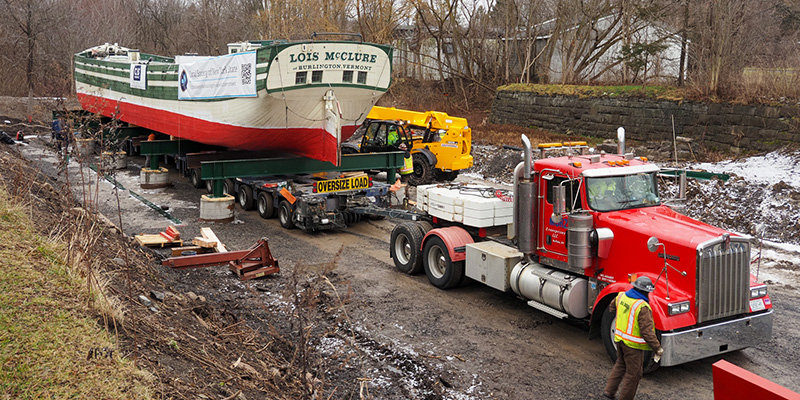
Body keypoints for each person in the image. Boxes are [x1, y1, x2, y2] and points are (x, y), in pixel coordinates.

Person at [603, 276, 664, 400]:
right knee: (633, 375)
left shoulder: (621, 296)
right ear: (646, 291)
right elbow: (647, 332)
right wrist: (657, 348)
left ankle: (608, 393)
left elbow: (612, 308)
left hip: (619, 340)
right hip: (633, 346)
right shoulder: (642, 306)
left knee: (620, 365)